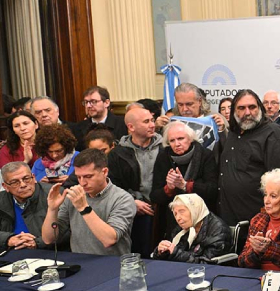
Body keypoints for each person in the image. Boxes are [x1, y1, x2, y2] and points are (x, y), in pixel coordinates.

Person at [41, 149, 136, 256]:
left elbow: (109, 240)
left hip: (112, 263)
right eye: (78, 177)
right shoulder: (73, 197)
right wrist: (52, 209)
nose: (82, 183)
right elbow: (48, 239)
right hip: (79, 261)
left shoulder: (123, 199)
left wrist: (84, 208)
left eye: (88, 176)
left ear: (104, 172)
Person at [219, 89, 280, 225]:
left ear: (259, 108)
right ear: (234, 111)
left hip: (259, 220)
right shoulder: (233, 133)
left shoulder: (274, 134)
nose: (248, 112)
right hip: (229, 217)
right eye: (241, 108)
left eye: (252, 107)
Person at [108, 104, 163, 254]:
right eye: (146, 122)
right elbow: (113, 185)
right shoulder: (117, 154)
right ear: (131, 127)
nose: (152, 125)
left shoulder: (165, 148)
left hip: (163, 210)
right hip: (132, 212)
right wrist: (131, 201)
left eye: (152, 120)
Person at [150, 121, 218, 236]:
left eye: (181, 138)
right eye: (172, 140)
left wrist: (186, 185)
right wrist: (169, 188)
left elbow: (212, 190)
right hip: (172, 222)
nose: (177, 144)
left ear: (190, 139)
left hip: (201, 221)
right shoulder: (163, 157)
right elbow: (154, 196)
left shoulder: (205, 155)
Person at [153, 194, 230, 263]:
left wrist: (176, 253)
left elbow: (206, 264)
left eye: (181, 211)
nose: (178, 218)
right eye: (175, 214)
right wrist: (162, 252)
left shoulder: (218, 229)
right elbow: (173, 253)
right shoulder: (182, 228)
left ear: (195, 210)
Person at [0, 162, 51, 251]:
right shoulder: (1, 200)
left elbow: (67, 231)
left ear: (34, 178)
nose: (23, 185)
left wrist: (37, 242)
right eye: (15, 182)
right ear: (5, 186)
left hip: (49, 253)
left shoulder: (53, 195)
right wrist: (8, 239)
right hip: (11, 253)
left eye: (26, 178)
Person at [154, 83, 227, 138]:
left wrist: (222, 130)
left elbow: (229, 147)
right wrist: (156, 129)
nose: (185, 109)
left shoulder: (216, 118)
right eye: (180, 105)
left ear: (199, 101)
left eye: (189, 104)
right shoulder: (172, 122)